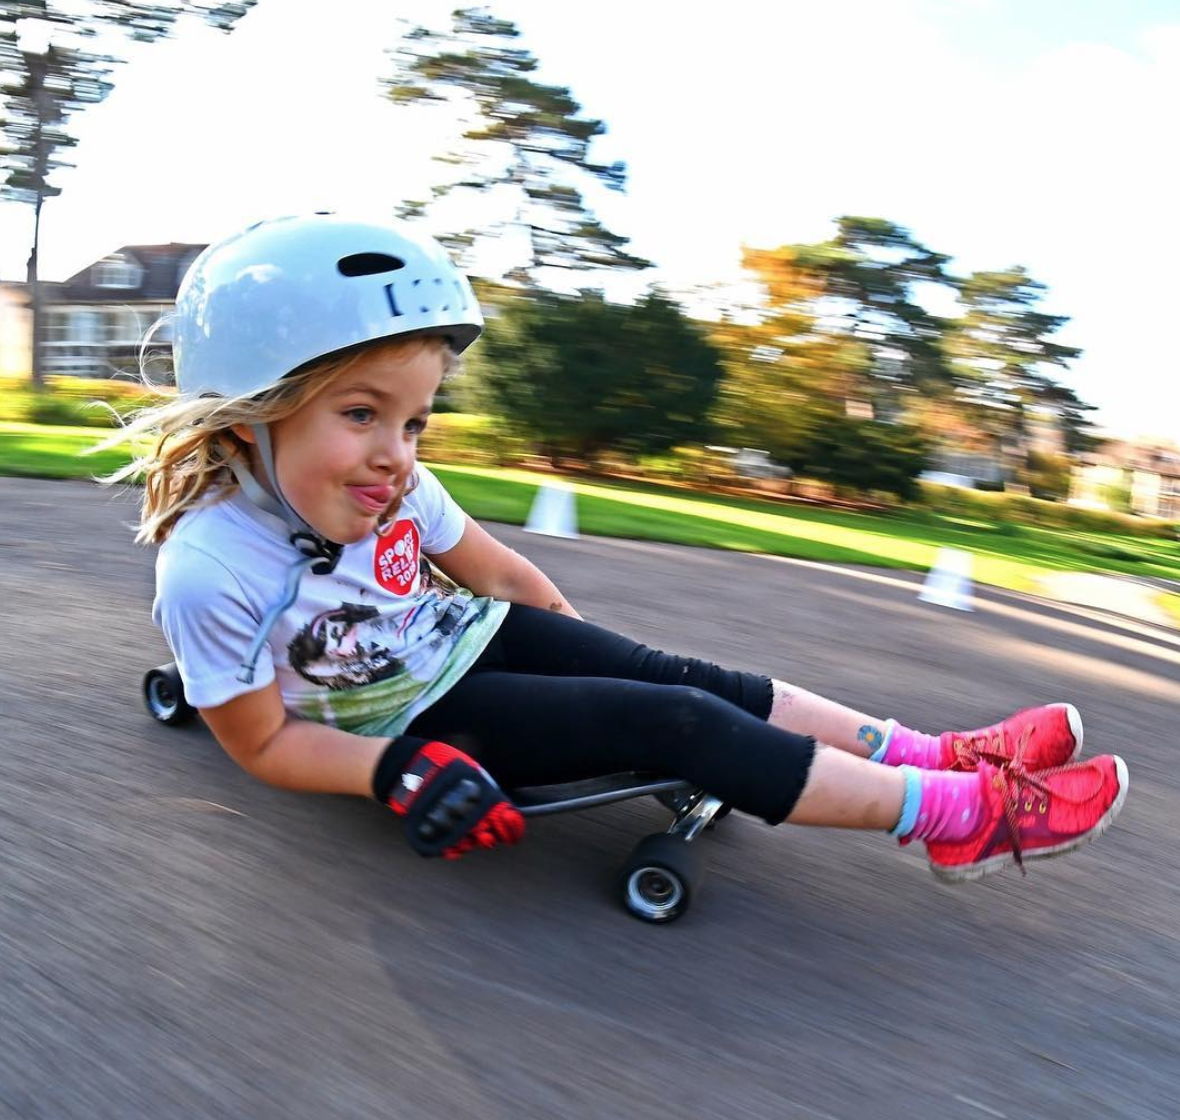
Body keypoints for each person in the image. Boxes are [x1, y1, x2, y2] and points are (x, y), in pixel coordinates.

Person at [108, 214, 1128, 878]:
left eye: (414, 422)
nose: (396, 457)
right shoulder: (212, 570)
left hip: (472, 635)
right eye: (363, 414)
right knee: (678, 719)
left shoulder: (393, 483)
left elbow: (498, 573)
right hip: (404, 709)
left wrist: (599, 675)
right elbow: (263, 743)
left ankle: (938, 751)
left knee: (692, 680)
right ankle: (957, 816)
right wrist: (391, 770)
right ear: (250, 414)